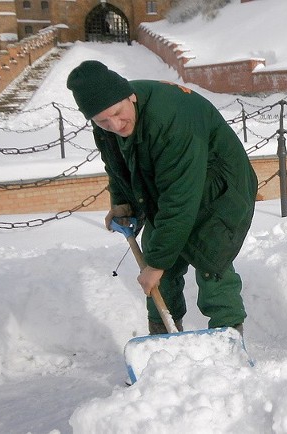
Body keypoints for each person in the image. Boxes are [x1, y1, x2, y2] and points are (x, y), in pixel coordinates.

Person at [67, 60, 257, 336]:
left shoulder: (170, 119)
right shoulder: (107, 116)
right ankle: (163, 341)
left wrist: (156, 265)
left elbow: (180, 200)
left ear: (130, 95)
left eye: (118, 114)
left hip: (217, 187)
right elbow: (116, 164)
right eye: (102, 121)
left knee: (211, 260)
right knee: (160, 257)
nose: (115, 124)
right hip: (167, 186)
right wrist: (122, 203)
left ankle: (228, 339)